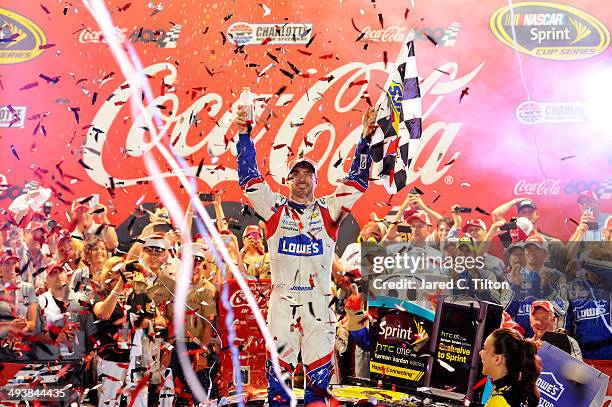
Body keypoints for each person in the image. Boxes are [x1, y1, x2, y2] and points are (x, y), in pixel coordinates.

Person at [233, 103, 376, 406]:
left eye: (307, 174)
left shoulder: (329, 210)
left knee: (319, 386)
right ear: (287, 181)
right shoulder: (274, 209)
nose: (301, 179)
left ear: (315, 181)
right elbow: (249, 179)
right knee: (279, 388)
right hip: (282, 308)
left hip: (318, 307)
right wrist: (244, 133)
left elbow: (358, 182)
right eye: (295, 174)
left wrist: (365, 137)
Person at [505, 236, 567, 338]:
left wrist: (547, 288)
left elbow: (561, 310)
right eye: (528, 249)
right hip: (519, 341)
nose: (531, 252)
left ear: (546, 254)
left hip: (547, 341)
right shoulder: (511, 277)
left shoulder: (557, 277)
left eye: (537, 249)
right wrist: (515, 287)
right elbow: (505, 312)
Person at [492, 198, 566, 274]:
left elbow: (563, 274)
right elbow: (496, 214)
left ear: (537, 215)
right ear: (519, 218)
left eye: (530, 212)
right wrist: (516, 201)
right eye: (523, 212)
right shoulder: (512, 236)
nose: (527, 214)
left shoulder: (553, 244)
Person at [480, 328, 541, 407]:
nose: (480, 353)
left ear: (498, 359)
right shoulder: (518, 390)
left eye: (485, 349)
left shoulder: (499, 401)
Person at [0, 253, 38, 360]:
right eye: (7, 263)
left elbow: (32, 324)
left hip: (22, 348)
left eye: (14, 263)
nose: (12, 266)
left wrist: (22, 325)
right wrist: (10, 325)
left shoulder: (28, 288)